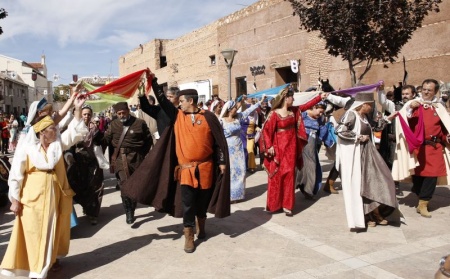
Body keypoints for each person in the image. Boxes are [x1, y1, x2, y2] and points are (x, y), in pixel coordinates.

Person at [122, 72, 230, 253]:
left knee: (202, 201)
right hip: (186, 170)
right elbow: (163, 100)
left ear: (191, 101)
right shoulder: (178, 116)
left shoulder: (208, 117)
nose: (179, 104)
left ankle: (201, 223)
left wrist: (221, 161)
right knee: (187, 203)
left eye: (181, 101)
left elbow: (219, 142)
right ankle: (189, 235)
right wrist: (154, 81)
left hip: (206, 168)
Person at [0, 95, 88, 278]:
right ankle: (34, 270)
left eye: (54, 129)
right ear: (41, 132)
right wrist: (14, 200)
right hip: (31, 199)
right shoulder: (27, 149)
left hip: (53, 196)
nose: (55, 131)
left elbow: (73, 134)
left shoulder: (57, 145)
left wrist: (78, 109)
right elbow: (16, 175)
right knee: (32, 233)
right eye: (51, 129)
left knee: (50, 231)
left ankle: (47, 264)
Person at [260, 86, 328, 216]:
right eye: (292, 97)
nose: (294, 99)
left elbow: (306, 105)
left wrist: (320, 97)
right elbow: (266, 131)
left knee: (290, 175)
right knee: (277, 176)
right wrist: (269, 146)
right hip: (279, 148)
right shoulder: (274, 114)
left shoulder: (294, 111)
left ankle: (287, 205)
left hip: (291, 148)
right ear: (286, 98)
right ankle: (274, 205)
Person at [336, 91, 397, 229]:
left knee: (382, 180)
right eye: (370, 105)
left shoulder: (364, 116)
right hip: (358, 155)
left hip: (369, 154)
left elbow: (376, 127)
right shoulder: (351, 114)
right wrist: (358, 137)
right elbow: (339, 130)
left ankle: (375, 212)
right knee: (362, 185)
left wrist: (388, 119)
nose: (371, 108)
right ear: (363, 105)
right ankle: (368, 215)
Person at [393, 79, 450, 218]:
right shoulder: (415, 105)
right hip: (418, 148)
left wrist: (446, 138)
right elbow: (405, 118)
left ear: (435, 92)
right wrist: (410, 108)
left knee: (432, 175)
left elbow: (443, 127)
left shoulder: (439, 107)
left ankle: (423, 203)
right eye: (424, 89)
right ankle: (419, 194)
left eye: (429, 90)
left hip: (435, 147)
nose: (425, 92)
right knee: (418, 176)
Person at [95, 101, 151, 224]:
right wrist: (97, 135)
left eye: (123, 112)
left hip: (136, 158)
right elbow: (106, 140)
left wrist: (141, 154)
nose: (121, 115)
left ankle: (133, 205)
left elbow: (148, 141)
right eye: (119, 113)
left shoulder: (139, 123)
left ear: (128, 111)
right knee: (124, 185)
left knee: (135, 185)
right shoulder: (113, 125)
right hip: (120, 159)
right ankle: (128, 212)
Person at [219, 96, 265, 202]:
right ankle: (229, 195)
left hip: (238, 150)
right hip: (228, 151)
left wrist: (259, 103)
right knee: (230, 173)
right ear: (230, 109)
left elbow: (249, 110)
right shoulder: (222, 121)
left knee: (241, 171)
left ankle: (238, 194)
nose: (237, 108)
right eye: (235, 107)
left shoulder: (238, 117)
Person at [65, 104, 105, 225]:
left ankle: (93, 214)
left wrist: (97, 133)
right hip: (78, 163)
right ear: (80, 115)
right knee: (79, 188)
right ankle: (86, 206)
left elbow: (102, 143)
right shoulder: (73, 128)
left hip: (93, 163)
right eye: (84, 114)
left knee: (96, 187)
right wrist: (69, 157)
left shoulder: (95, 129)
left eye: (88, 114)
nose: (86, 116)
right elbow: (68, 145)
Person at [378, 84, 417, 196]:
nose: (404, 96)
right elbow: (383, 102)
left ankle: (416, 185)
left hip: (412, 141)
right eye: (403, 94)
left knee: (413, 163)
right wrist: (381, 90)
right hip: (398, 140)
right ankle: (394, 185)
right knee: (393, 162)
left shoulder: (418, 106)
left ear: (413, 94)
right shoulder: (395, 106)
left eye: (407, 94)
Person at [296, 102, 333, 199]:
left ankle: (308, 191)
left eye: (322, 113)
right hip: (298, 143)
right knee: (296, 167)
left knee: (311, 167)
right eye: (320, 112)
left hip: (311, 145)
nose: (320, 114)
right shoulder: (302, 114)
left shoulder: (319, 119)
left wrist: (329, 142)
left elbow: (323, 130)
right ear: (313, 107)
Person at [240, 95, 259, 173]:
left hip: (251, 135)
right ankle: (244, 166)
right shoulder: (242, 115)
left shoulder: (256, 115)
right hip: (243, 135)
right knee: (244, 150)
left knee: (250, 150)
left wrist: (258, 129)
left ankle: (251, 166)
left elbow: (256, 125)